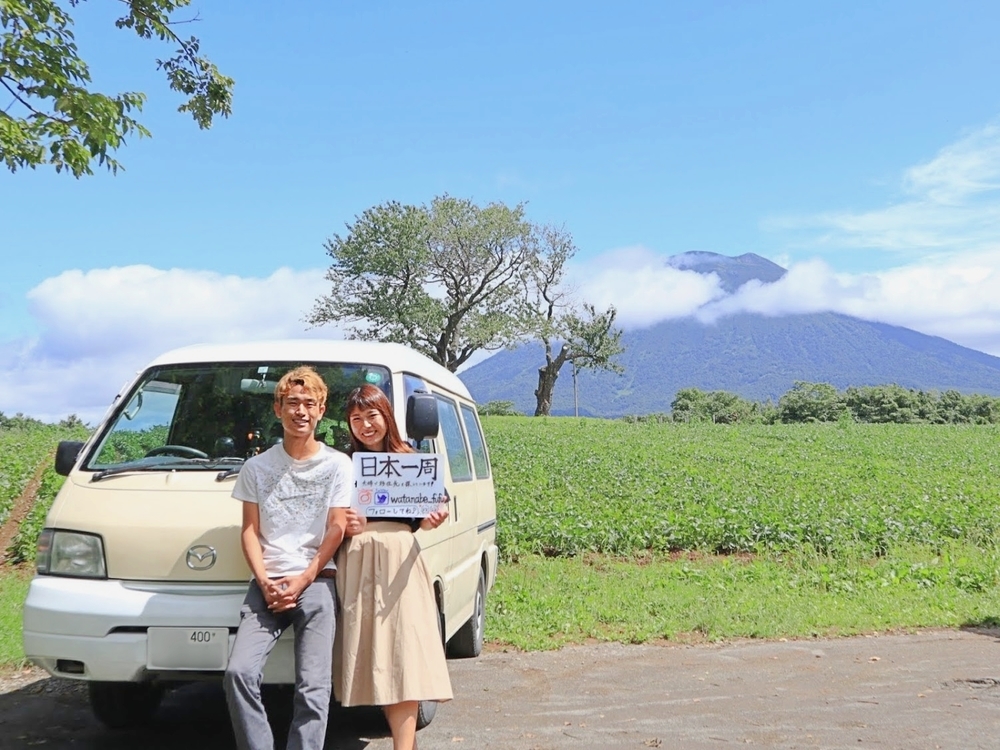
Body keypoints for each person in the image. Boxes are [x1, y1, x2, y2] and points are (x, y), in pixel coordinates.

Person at [224, 366, 353, 750]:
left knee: (313, 687)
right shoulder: (256, 467)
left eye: (309, 404)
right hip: (266, 584)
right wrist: (264, 581)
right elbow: (249, 530)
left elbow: (336, 528)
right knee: (238, 672)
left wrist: (303, 579)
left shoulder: (337, 466)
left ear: (321, 410)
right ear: (278, 409)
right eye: (292, 403)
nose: (301, 411)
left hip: (316, 582)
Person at [336, 384, 453, 750]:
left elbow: (433, 510)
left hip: (401, 560)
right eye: (356, 419)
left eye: (371, 416)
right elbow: (328, 514)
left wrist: (435, 517)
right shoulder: (342, 463)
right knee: (378, 657)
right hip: (356, 560)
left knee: (404, 652)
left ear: (386, 415)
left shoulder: (413, 459)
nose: (365, 425)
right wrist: (345, 523)